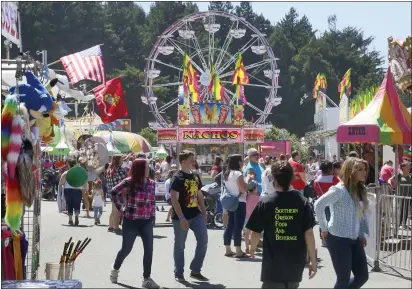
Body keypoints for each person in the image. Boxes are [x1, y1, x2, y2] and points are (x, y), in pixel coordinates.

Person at [246, 161, 317, 288]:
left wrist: (252, 250)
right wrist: (313, 260)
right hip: (295, 264)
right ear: (292, 178)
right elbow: (309, 233)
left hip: (273, 266)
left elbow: (256, 231)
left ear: (273, 178)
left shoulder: (265, 202)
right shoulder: (302, 201)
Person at [315, 158, 369, 289]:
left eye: (365, 169)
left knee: (362, 276)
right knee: (343, 279)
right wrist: (324, 228)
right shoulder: (339, 190)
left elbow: (360, 214)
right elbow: (319, 205)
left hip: (354, 238)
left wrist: (361, 234)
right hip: (338, 238)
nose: (364, 172)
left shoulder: (361, 189)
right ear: (350, 171)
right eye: (360, 169)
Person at [110, 159, 159, 289]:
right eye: (147, 167)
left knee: (149, 250)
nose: (149, 169)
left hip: (146, 221)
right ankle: (115, 269)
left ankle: (146, 279)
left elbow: (152, 201)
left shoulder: (152, 183)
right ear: (140, 168)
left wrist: (153, 216)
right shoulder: (129, 181)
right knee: (126, 249)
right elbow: (113, 192)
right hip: (131, 221)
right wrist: (121, 209)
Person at [170, 150, 208, 282]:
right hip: (182, 217)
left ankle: (195, 270)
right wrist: (181, 218)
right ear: (183, 161)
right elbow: (174, 200)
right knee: (180, 246)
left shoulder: (196, 176)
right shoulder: (177, 178)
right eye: (191, 159)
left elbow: (199, 196)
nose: (193, 162)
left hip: (196, 214)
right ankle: (179, 272)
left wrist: (204, 211)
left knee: (203, 241)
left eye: (193, 159)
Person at [223, 154, 248, 258]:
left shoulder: (226, 173)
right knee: (238, 226)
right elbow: (243, 189)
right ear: (238, 162)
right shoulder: (238, 173)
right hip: (239, 202)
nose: (242, 162)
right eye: (241, 160)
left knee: (230, 225)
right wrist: (248, 180)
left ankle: (228, 249)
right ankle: (238, 250)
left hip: (230, 202)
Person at [313, 161, 340, 247]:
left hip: (321, 202)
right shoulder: (334, 179)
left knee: (322, 220)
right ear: (329, 169)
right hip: (332, 203)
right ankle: (331, 238)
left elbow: (316, 190)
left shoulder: (317, 180)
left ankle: (324, 239)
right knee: (331, 220)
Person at [58, 159, 88, 226]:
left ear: (69, 164)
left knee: (69, 204)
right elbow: (84, 183)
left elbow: (61, 182)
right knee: (77, 204)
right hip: (77, 190)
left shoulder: (66, 173)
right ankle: (76, 217)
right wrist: (85, 189)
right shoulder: (80, 173)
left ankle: (70, 219)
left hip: (67, 190)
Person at [106, 154, 128, 233]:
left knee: (113, 210)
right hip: (119, 193)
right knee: (117, 211)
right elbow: (125, 181)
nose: (123, 160)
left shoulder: (109, 170)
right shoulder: (120, 170)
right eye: (122, 159)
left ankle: (111, 226)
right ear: (118, 160)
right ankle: (116, 227)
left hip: (111, 192)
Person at [389, 162, 412, 228]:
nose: (409, 167)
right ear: (403, 167)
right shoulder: (399, 175)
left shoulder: (410, 176)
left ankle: (404, 223)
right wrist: (389, 184)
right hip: (400, 196)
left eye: (409, 166)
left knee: (406, 210)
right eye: (408, 166)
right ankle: (398, 223)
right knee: (400, 210)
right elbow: (390, 179)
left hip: (408, 196)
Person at [244, 180, 260, 255]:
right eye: (257, 187)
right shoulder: (258, 198)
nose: (258, 189)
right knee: (254, 233)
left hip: (246, 218)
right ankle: (253, 248)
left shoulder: (246, 197)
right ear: (254, 188)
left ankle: (247, 248)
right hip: (255, 218)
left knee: (246, 234)